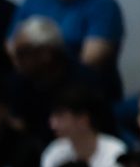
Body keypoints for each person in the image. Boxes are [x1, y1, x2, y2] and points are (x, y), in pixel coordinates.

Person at [7, 15, 107, 143]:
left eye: (22, 53)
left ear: (45, 53)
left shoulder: (85, 82)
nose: (16, 60)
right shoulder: (18, 82)